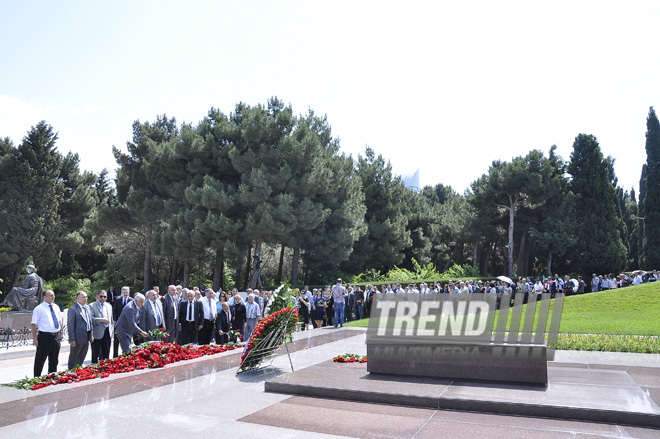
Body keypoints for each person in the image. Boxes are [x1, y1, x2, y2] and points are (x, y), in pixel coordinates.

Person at [30, 289, 62, 377]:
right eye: (51, 295)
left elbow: (59, 320)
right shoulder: (39, 308)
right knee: (40, 359)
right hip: (44, 336)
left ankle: (51, 376)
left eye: (54, 295)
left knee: (54, 359)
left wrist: (61, 332)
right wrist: (35, 338)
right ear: (45, 297)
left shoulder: (56, 307)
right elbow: (33, 324)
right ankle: (37, 377)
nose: (53, 297)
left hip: (56, 336)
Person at [67, 291, 94, 369]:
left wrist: (91, 334)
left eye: (86, 297)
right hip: (77, 337)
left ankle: (79, 370)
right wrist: (72, 339)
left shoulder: (88, 307)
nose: (85, 299)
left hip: (86, 336)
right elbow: (70, 325)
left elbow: (90, 322)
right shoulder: (73, 309)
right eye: (83, 297)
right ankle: (71, 371)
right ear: (78, 298)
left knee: (82, 355)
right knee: (74, 356)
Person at [90, 290, 113, 363]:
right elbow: (91, 319)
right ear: (97, 296)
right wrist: (101, 320)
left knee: (106, 352)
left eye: (104, 297)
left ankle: (106, 367)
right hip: (97, 333)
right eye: (101, 296)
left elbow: (111, 319)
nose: (103, 298)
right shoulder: (91, 306)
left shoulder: (109, 306)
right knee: (95, 353)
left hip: (107, 331)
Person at [111, 286, 132, 357]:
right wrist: (114, 320)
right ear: (121, 293)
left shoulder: (131, 300)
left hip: (128, 324)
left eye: (127, 292)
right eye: (124, 292)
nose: (125, 294)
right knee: (116, 339)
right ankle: (115, 355)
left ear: (129, 292)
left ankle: (126, 354)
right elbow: (114, 310)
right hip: (118, 323)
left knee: (127, 340)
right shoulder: (118, 300)